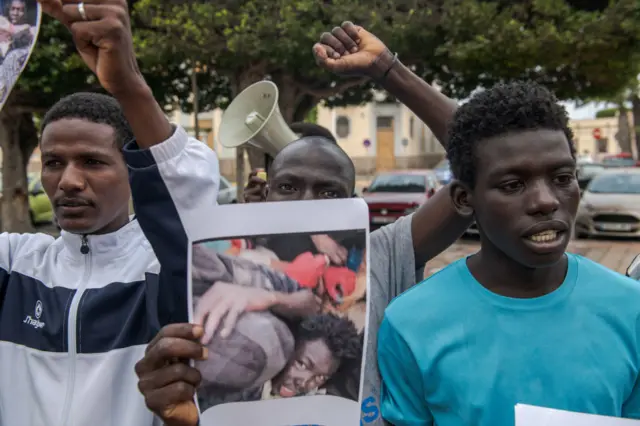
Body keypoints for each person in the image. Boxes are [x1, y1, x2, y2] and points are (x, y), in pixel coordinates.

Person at [135, 22, 469, 426]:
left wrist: (387, 70)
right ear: (265, 193)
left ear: (354, 202)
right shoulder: (232, 254)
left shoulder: (384, 250)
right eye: (288, 187)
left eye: (329, 192)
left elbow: (477, 159)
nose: (307, 203)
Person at [0, 1, 219, 425]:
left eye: (93, 162)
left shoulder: (164, 269)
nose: (68, 181)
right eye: (53, 162)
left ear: (133, 170)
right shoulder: (14, 264)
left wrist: (129, 85)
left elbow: (194, 203)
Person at [377, 81, 640, 426]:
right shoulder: (409, 323)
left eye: (562, 177)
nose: (546, 201)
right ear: (463, 199)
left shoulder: (631, 308)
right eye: (513, 185)